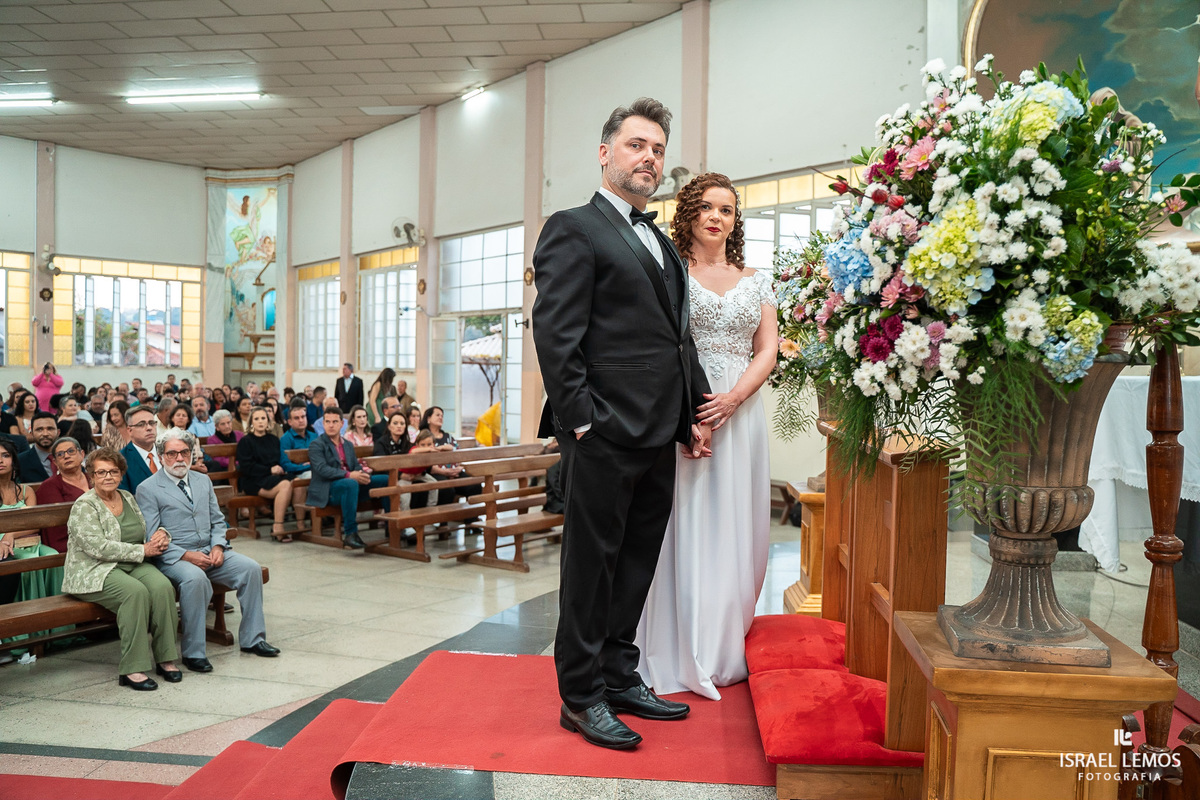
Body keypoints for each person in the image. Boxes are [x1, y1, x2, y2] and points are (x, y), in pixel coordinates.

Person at [531, 97, 712, 750]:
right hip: (604, 433)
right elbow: (555, 334)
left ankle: (617, 672)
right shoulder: (573, 228)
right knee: (590, 568)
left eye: (658, 149)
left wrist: (693, 414)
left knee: (636, 563)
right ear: (605, 152)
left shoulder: (659, 239)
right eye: (637, 145)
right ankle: (579, 697)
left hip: (659, 430)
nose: (649, 158)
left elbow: (677, 339)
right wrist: (581, 422)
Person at [635, 173, 778, 700]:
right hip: (688, 412)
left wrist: (735, 398)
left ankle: (724, 640)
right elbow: (661, 345)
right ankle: (677, 642)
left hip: (740, 415)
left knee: (739, 527)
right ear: (690, 213)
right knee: (687, 521)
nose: (718, 217)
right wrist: (691, 413)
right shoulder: (670, 273)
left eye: (728, 210)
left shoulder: (757, 278)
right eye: (708, 207)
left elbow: (767, 348)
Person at [137, 429, 279, 673]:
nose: (179, 458)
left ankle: (253, 639)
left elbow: (217, 520)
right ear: (161, 456)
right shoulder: (148, 488)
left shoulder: (203, 480)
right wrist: (186, 555)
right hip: (175, 557)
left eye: (184, 452)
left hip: (210, 550)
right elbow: (152, 536)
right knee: (195, 579)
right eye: (172, 453)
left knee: (251, 569)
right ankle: (193, 653)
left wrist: (218, 546)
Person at [61, 448, 180, 691]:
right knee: (134, 593)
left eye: (113, 471)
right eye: (101, 472)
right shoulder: (84, 505)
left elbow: (145, 529)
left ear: (121, 474)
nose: (108, 476)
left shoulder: (127, 496)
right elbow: (97, 548)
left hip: (130, 563)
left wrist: (161, 536)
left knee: (161, 587)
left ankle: (165, 657)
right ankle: (132, 668)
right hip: (93, 569)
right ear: (91, 476)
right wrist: (143, 551)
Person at [0, 438, 62, 607]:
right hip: (4, 545)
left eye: (5, 455)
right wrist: (4, 540)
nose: (1, 460)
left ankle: (55, 617)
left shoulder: (26, 491)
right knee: (25, 563)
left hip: (27, 539)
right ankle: (25, 619)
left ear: (13, 460)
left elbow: (34, 523)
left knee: (53, 556)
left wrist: (10, 534)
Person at [307, 407, 371, 550]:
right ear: (323, 424)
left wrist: (362, 474)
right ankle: (350, 534)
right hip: (327, 489)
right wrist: (349, 475)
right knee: (350, 484)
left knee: (383, 481)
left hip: (348, 486)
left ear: (342, 424)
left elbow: (354, 465)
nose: (331, 425)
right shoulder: (316, 445)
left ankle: (392, 528)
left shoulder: (347, 444)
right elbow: (322, 469)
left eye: (335, 421)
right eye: (327, 422)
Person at [236, 408, 293, 541]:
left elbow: (278, 460)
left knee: (296, 482)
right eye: (256, 419)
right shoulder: (246, 441)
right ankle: (278, 527)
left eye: (263, 418)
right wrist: (269, 470)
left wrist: (279, 468)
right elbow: (246, 467)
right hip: (254, 480)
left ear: (268, 421)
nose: (260, 422)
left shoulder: (273, 439)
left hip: (272, 477)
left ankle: (302, 523)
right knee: (285, 485)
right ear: (251, 422)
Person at [37, 437, 91, 552]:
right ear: (55, 462)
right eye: (60, 454)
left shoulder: (94, 478)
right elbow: (56, 527)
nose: (66, 456)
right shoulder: (49, 486)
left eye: (71, 451)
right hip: (69, 541)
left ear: (81, 454)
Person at [280, 404, 318, 527]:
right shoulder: (286, 439)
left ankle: (325, 515)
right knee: (315, 477)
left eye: (303, 417)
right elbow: (286, 465)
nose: (301, 420)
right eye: (297, 418)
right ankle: (306, 521)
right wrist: (306, 466)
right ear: (290, 422)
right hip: (296, 474)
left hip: (315, 470)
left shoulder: (313, 436)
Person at [118, 405, 161, 494]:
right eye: (141, 424)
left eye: (152, 423)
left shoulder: (166, 452)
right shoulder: (121, 460)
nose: (149, 428)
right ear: (130, 430)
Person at [17, 413, 59, 482]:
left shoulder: (70, 457)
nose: (45, 434)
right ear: (31, 433)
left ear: (58, 432)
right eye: (39, 429)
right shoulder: (20, 461)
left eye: (50, 429)